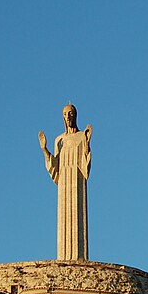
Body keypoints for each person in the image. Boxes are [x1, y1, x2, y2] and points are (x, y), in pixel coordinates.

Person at [39, 104, 92, 260]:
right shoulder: (59, 140)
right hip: (64, 181)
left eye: (70, 113)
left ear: (75, 115)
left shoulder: (81, 136)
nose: (67, 117)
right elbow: (54, 166)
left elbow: (85, 163)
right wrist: (45, 149)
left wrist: (87, 144)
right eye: (64, 114)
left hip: (77, 178)